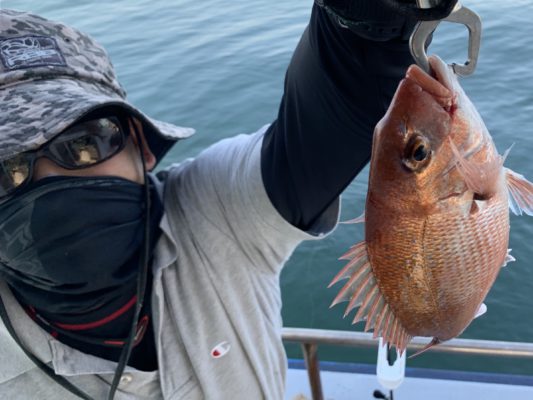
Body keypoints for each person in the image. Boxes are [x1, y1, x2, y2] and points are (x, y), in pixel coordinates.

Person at [0, 1, 452, 399]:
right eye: (5, 170)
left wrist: (374, 20)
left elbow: (337, 109)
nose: (51, 182)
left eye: (85, 143)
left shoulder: (214, 205)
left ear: (140, 143)